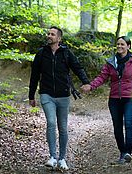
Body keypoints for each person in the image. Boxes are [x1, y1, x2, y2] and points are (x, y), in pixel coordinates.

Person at [29, 26, 90, 170]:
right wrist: (31, 95)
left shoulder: (66, 53)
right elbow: (34, 75)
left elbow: (78, 67)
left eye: (52, 34)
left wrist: (86, 82)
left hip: (63, 96)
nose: (49, 36)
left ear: (59, 38)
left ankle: (62, 158)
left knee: (62, 128)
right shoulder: (41, 53)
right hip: (46, 94)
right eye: (48, 33)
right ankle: (52, 157)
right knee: (51, 122)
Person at [81, 36, 132, 163]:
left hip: (131, 98)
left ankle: (128, 152)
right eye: (118, 44)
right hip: (114, 99)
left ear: (128, 46)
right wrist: (91, 86)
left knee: (129, 124)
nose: (119, 46)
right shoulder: (111, 62)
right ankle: (122, 153)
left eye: (122, 44)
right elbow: (102, 77)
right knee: (117, 126)